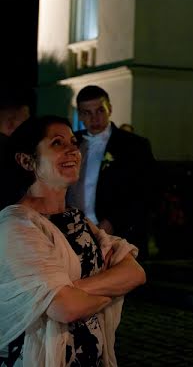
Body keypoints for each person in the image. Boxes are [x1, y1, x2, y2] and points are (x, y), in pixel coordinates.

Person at [0, 116, 146, 366]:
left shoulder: (78, 220)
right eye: (57, 143)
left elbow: (135, 273)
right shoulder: (17, 225)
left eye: (73, 142)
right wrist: (109, 290)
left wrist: (73, 288)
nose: (72, 150)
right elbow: (66, 308)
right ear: (26, 161)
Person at [67, 86, 156, 259]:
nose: (94, 118)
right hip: (74, 233)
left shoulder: (134, 145)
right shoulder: (72, 142)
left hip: (119, 233)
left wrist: (113, 221)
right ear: (80, 114)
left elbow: (145, 191)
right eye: (87, 112)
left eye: (100, 110)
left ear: (110, 109)